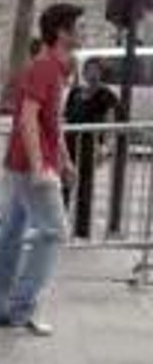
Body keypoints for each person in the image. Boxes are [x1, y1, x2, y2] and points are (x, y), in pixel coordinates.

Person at [0, 4, 83, 336]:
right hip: (31, 166)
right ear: (62, 33)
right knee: (54, 232)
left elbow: (53, 121)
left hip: (31, 163)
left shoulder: (57, 69)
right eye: (79, 27)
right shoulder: (44, 68)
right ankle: (22, 307)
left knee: (10, 236)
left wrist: (64, 159)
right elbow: (28, 118)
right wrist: (40, 167)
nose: (84, 32)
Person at [63, 59, 121, 239]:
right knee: (64, 184)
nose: (91, 73)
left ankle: (81, 231)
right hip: (69, 143)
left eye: (95, 70)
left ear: (102, 73)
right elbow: (66, 116)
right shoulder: (75, 92)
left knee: (84, 188)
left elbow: (111, 121)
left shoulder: (107, 95)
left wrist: (105, 147)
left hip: (89, 145)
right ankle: (60, 224)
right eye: (88, 69)